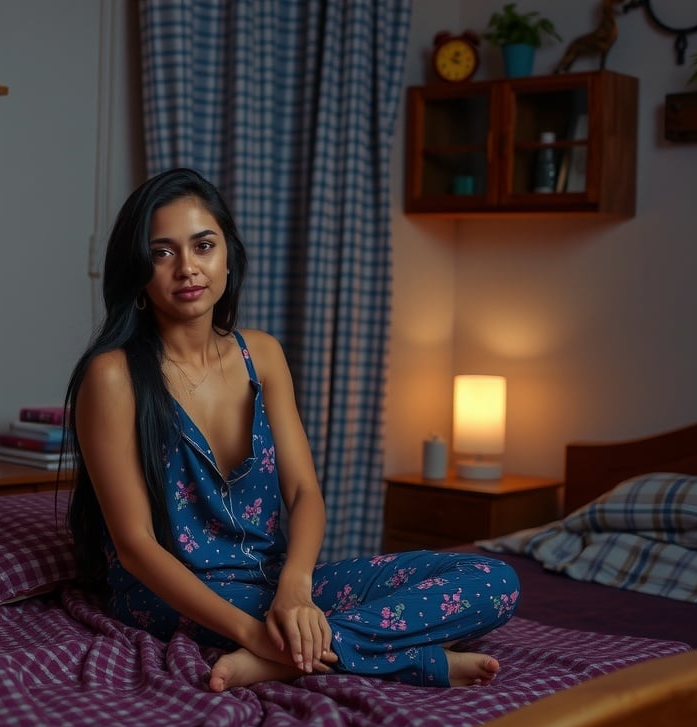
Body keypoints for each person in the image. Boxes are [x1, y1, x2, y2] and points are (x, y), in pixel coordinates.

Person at [65, 168, 520, 691]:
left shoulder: (262, 354)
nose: (187, 268)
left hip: (270, 582)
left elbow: (304, 492)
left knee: (494, 581)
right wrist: (253, 634)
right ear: (138, 270)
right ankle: (417, 661)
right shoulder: (113, 376)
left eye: (203, 245)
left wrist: (296, 588)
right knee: (289, 625)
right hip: (167, 594)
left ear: (228, 256)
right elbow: (135, 546)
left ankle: (281, 664)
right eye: (163, 252)